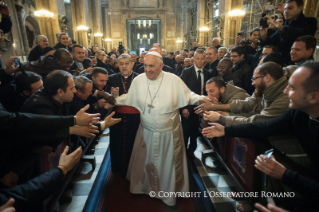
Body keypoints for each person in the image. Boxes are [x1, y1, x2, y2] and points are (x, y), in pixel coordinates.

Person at [202, 61, 319, 211]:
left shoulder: (286, 103)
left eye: (292, 88)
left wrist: (285, 174)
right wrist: (226, 130)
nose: (285, 91)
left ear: (313, 97)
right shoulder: (297, 112)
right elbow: (264, 126)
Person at [114, 52, 208, 207]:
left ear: (161, 66)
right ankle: (145, 187)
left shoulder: (173, 80)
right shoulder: (138, 81)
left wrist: (202, 98)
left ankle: (166, 192)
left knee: (166, 164)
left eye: (152, 66)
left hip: (168, 133)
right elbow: (129, 97)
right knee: (147, 160)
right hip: (147, 131)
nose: (148, 69)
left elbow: (188, 95)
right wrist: (113, 100)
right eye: (145, 65)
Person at [106, 54, 140, 176]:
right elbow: (105, 96)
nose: (124, 66)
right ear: (118, 65)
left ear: (132, 64)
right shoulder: (112, 78)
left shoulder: (140, 78)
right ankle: (118, 167)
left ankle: (134, 168)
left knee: (134, 142)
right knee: (117, 142)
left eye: (127, 63)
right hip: (117, 116)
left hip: (135, 118)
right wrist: (111, 94)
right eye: (121, 63)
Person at [260, 0, 317, 65]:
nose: (286, 11)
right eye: (285, 9)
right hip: (284, 65)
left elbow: (301, 34)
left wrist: (277, 25)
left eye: (290, 8)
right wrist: (263, 36)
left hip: (302, 65)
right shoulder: (285, 26)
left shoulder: (310, 21)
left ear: (300, 8)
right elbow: (271, 41)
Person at [180, 49, 210, 158]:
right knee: (185, 132)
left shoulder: (207, 73)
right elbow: (182, 91)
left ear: (205, 59)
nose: (200, 61)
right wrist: (183, 108)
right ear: (193, 59)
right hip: (187, 108)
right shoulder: (187, 72)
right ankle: (182, 154)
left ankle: (191, 152)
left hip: (200, 108)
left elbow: (206, 92)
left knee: (195, 132)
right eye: (197, 58)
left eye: (202, 58)